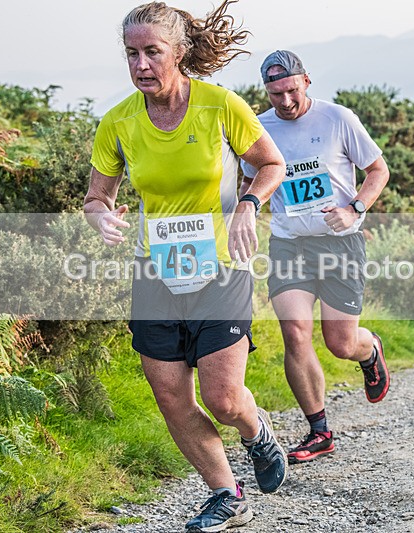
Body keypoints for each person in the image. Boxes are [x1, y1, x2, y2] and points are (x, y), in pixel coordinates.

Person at [83, 3, 288, 531]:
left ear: (178, 52)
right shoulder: (119, 121)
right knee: (171, 395)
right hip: (154, 271)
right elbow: (96, 197)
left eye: (152, 51)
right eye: (132, 53)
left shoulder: (220, 106)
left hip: (222, 266)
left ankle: (256, 429)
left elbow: (270, 164)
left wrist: (248, 203)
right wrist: (101, 217)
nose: (141, 64)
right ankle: (225, 493)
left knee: (223, 398)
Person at [240, 50, 391, 465]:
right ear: (266, 92)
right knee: (295, 331)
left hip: (340, 243)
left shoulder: (337, 118)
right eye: (275, 94)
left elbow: (378, 170)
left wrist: (354, 208)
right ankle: (319, 430)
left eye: (290, 90)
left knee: (341, 343)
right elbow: (251, 181)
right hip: (290, 244)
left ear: (306, 81)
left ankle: (370, 350)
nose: (284, 101)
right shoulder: (259, 128)